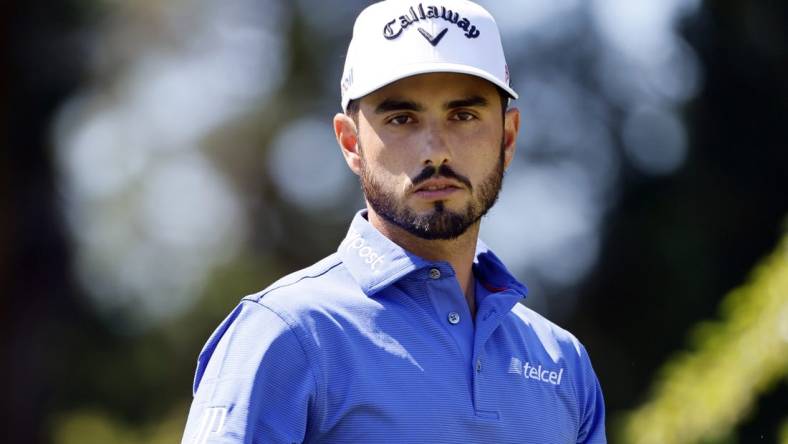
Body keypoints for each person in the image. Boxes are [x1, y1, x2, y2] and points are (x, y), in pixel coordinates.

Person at [181, 0, 606, 442]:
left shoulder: (562, 362)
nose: (436, 150)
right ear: (350, 142)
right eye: (401, 118)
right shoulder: (283, 333)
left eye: (463, 116)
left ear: (508, 137)